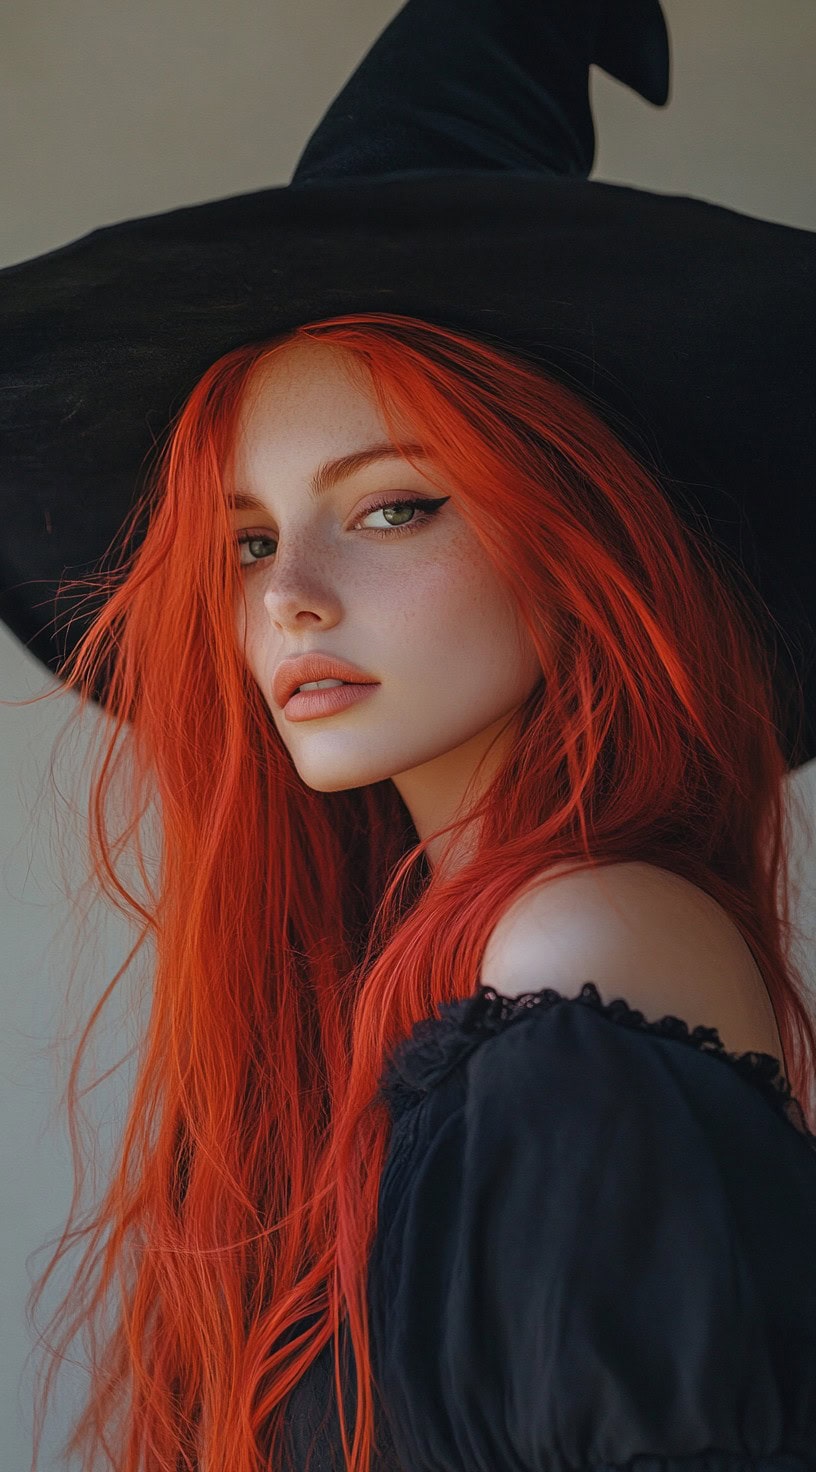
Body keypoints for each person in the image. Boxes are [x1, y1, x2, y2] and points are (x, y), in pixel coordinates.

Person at [2, 4, 816, 1471]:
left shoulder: (579, 950)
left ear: (583, 549)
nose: (292, 600)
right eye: (248, 541)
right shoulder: (411, 969)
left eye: (393, 507)